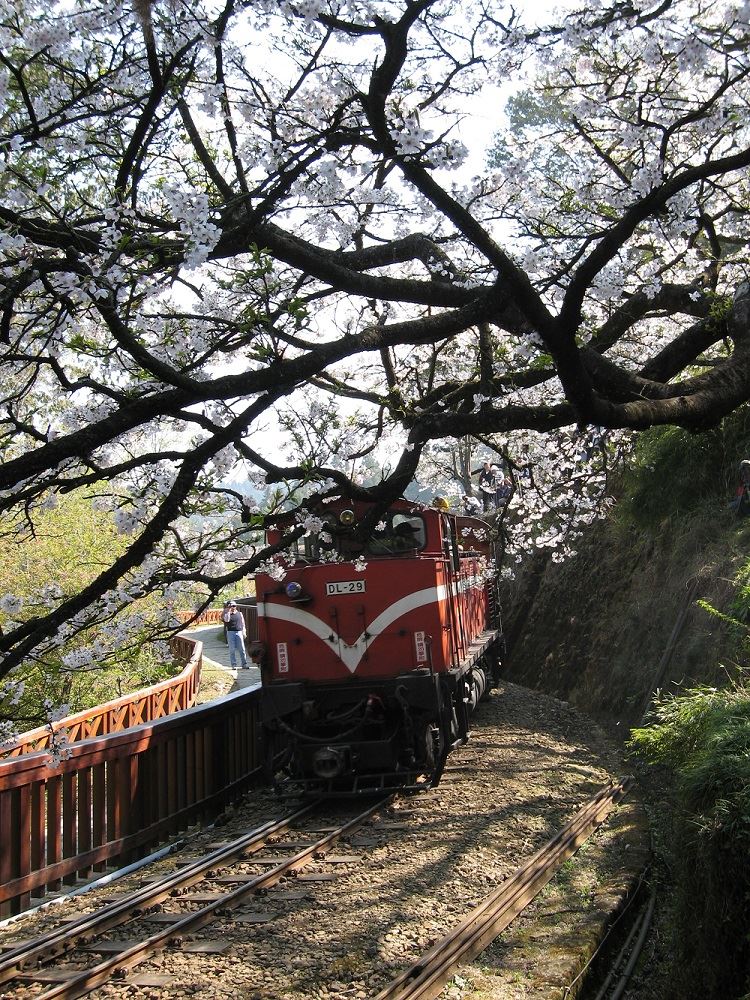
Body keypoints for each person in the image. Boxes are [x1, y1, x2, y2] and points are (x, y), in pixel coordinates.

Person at [222, 600, 249, 669]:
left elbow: (243, 624)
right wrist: (228, 611)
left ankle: (244, 664)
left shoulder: (240, 613)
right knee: (232, 650)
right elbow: (227, 620)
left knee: (242, 649)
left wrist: (244, 632)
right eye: (231, 606)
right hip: (230, 632)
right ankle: (233, 665)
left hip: (239, 632)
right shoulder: (227, 614)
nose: (233, 607)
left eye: (234, 606)